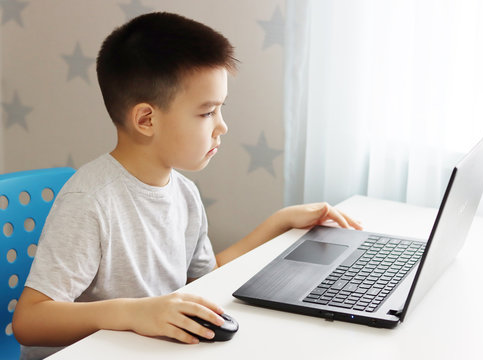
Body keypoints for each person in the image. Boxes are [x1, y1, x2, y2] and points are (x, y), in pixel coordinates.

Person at [12, 12, 362, 359]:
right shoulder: (90, 202)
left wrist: (279, 223)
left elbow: (203, 278)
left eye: (221, 109)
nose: (221, 126)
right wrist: (134, 313)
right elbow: (31, 320)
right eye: (206, 112)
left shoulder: (183, 193)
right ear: (146, 119)